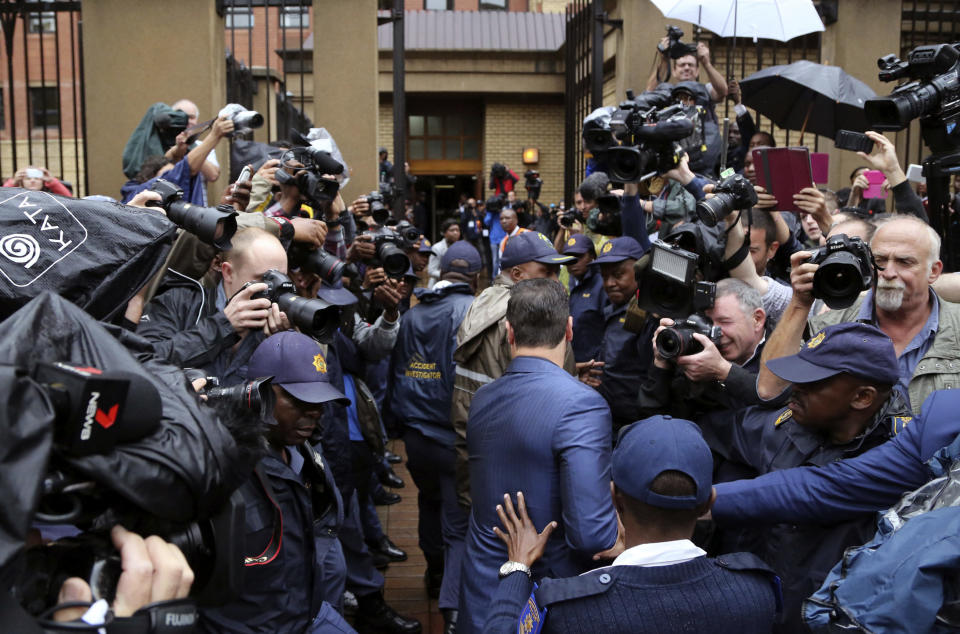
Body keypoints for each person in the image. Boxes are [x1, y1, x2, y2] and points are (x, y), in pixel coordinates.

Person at [700, 321, 912, 633]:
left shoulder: (906, 465)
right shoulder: (788, 424)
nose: (793, 387)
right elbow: (715, 432)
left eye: (811, 381)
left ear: (862, 397)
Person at [482, 416, 779, 634]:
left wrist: (517, 569)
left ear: (615, 499)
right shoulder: (757, 590)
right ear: (708, 503)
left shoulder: (567, 611)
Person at [458, 278, 619, 634]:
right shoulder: (582, 405)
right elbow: (592, 535)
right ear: (570, 329)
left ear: (509, 332)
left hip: (482, 587)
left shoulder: (483, 398)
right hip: (545, 600)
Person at [199, 331, 356, 633]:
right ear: (256, 394)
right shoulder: (222, 468)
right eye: (299, 401)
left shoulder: (304, 456)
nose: (314, 413)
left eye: (320, 402)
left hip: (307, 614)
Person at [759, 214, 960, 415]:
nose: (888, 273)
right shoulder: (832, 325)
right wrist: (800, 304)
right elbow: (770, 389)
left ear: (934, 271)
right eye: (879, 260)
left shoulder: (956, 326)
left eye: (904, 262)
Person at [385, 241, 483, 634]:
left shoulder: (415, 312)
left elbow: (397, 369)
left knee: (428, 501)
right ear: (476, 277)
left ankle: (434, 572)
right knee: (458, 520)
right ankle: (452, 605)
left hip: (416, 434)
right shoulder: (470, 312)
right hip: (450, 436)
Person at [450, 231, 575, 508]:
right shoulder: (528, 316)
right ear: (517, 274)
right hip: (522, 481)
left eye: (558, 271)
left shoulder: (484, 303)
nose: (557, 281)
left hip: (482, 470)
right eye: (547, 271)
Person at [137, 227, 293, 385]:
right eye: (265, 279)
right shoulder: (179, 302)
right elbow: (141, 361)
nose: (274, 289)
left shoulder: (280, 325)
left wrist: (282, 345)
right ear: (228, 272)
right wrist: (222, 326)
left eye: (282, 279)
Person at [637, 278, 768, 421]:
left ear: (757, 319)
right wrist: (662, 365)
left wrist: (723, 372)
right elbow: (652, 422)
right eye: (707, 323)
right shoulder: (696, 354)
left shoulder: (783, 352)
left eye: (724, 322)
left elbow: (775, 397)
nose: (714, 332)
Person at [581, 236, 655, 431]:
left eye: (618, 274)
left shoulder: (651, 316)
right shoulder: (613, 309)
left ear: (639, 272)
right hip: (609, 419)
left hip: (638, 424)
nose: (610, 283)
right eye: (604, 277)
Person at [562, 233, 607, 363]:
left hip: (595, 368)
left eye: (579, 256)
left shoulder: (603, 285)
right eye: (569, 259)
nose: (574, 263)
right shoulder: (574, 283)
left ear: (592, 256)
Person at [428, 218, 462, 288]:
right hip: (438, 286)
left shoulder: (462, 247)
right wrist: (449, 275)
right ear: (444, 233)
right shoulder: (437, 248)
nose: (455, 233)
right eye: (452, 230)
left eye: (457, 230)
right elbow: (431, 271)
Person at [5, 165, 73, 196]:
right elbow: (2, 198)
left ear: (43, 181)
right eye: (28, 178)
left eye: (37, 178)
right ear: (22, 182)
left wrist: (52, 181)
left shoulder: (50, 194)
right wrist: (13, 182)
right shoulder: (16, 195)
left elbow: (68, 199)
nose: (32, 181)